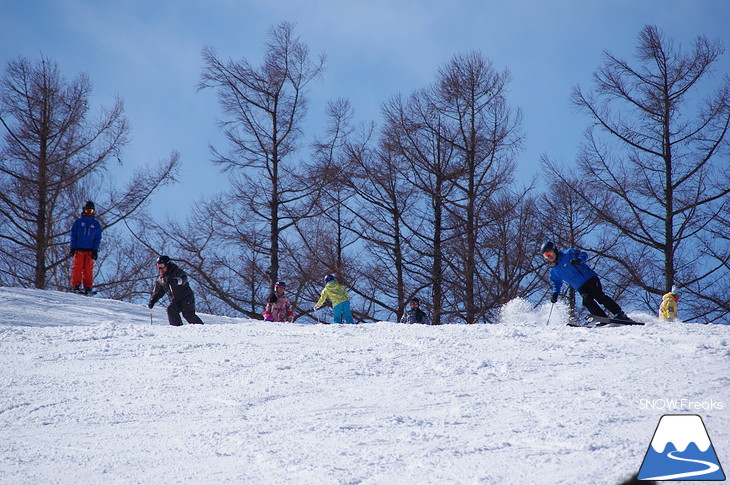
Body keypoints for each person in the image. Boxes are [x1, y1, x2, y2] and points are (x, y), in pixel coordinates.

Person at [541, 241, 632, 321]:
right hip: (580, 287)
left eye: (550, 253)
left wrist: (578, 260)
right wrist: (555, 293)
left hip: (590, 279)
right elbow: (556, 283)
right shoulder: (554, 270)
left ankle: (619, 313)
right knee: (587, 300)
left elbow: (583, 254)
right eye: (546, 255)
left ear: (554, 250)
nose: (549, 257)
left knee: (598, 296)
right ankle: (603, 318)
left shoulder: (568, 253)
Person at [148, 255, 204, 326]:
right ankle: (177, 328)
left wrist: (175, 281)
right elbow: (158, 292)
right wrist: (153, 300)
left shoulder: (177, 271)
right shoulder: (161, 280)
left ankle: (201, 328)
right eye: (158, 267)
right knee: (171, 309)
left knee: (188, 314)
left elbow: (183, 279)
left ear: (167, 264)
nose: (160, 269)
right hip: (176, 300)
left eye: (161, 266)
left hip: (186, 297)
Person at [69, 201, 103, 295]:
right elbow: (73, 235)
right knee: (77, 268)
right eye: (88, 210)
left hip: (89, 250)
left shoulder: (95, 224)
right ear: (84, 210)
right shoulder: (78, 222)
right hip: (79, 249)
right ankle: (76, 286)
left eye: (91, 210)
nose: (89, 212)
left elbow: (97, 238)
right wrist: (72, 247)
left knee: (88, 270)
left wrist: (95, 250)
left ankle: (88, 287)